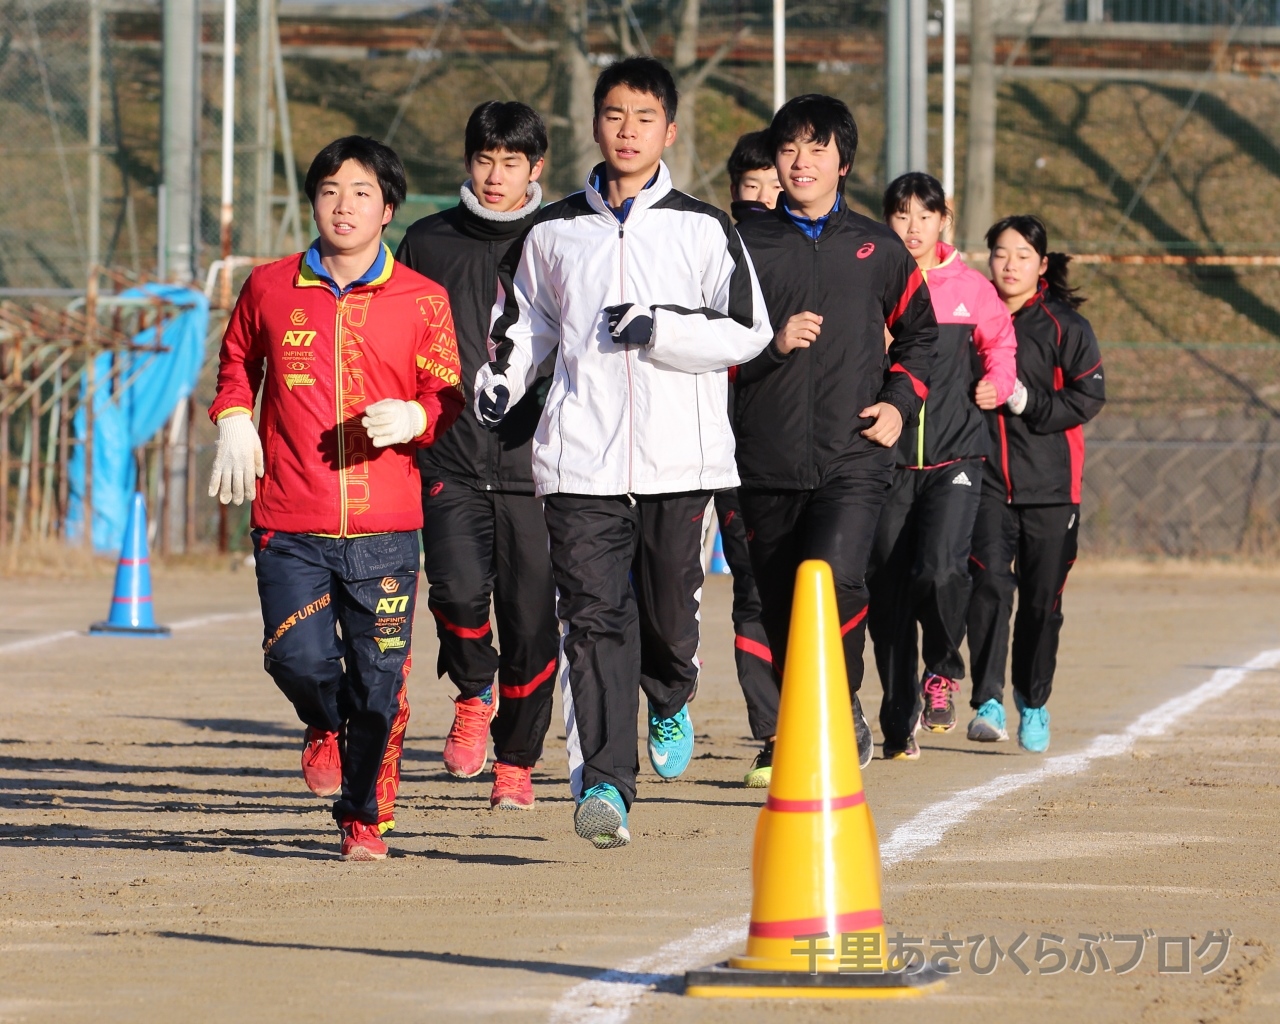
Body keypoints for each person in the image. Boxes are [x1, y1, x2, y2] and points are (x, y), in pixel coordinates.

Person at [474, 56, 773, 848]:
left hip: (682, 460)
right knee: (595, 619)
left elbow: (750, 329)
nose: (628, 130)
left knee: (669, 622)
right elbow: (525, 322)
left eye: (644, 117)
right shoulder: (553, 229)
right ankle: (605, 782)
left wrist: (661, 327)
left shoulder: (705, 226)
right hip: (581, 459)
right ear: (596, 125)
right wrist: (502, 380)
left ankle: (671, 696)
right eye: (614, 115)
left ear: (668, 130)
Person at [207, 136, 464, 860]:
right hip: (291, 517)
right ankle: (322, 722)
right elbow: (235, 367)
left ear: (389, 208)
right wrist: (231, 419)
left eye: (359, 192)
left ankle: (363, 818)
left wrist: (418, 417)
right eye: (328, 190)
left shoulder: (423, 299)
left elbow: (444, 393)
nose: (342, 205)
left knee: (380, 679)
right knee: (300, 663)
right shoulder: (266, 286)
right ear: (312, 202)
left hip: (385, 526)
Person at [733, 95, 938, 771]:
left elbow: (921, 336)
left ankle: (840, 704)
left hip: (855, 455)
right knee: (781, 601)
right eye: (789, 148)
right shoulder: (743, 245)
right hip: (763, 459)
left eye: (817, 149)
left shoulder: (877, 248)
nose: (801, 162)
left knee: (836, 577)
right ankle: (810, 712)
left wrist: (899, 404)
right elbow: (708, 343)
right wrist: (771, 346)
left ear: (843, 163)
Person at [395, 102, 557, 811]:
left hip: (540, 464)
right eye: (485, 160)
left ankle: (517, 760)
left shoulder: (564, 236)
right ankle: (471, 692)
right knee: (456, 595)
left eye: (511, 163)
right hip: (450, 458)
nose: (496, 176)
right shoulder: (428, 241)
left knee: (530, 622)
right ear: (468, 163)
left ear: (536, 168)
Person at [867, 172, 1017, 760]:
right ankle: (896, 715)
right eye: (901, 216)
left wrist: (998, 382)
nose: (912, 227)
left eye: (923, 216)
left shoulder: (970, 288)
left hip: (956, 455)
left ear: (943, 221)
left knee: (940, 570)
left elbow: (1000, 343)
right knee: (887, 592)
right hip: (886, 459)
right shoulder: (873, 281)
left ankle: (943, 672)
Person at [966, 214, 1105, 752]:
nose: (1010, 265)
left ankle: (1035, 699)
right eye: (1001, 253)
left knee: (1042, 602)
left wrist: (1027, 401)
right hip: (984, 481)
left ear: (1042, 265)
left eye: (1023, 255)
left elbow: (1088, 397)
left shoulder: (1065, 325)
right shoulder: (970, 317)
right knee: (990, 587)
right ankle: (988, 699)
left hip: (1051, 486)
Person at [719, 129, 784, 787]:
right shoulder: (715, 251)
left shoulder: (813, 251)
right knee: (752, 587)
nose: (764, 196)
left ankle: (830, 714)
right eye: (752, 186)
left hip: (808, 450)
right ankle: (771, 734)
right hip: (731, 450)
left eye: (775, 182)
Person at [726, 130, 782, 224]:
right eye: (752, 186)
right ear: (735, 192)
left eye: (777, 186)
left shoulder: (806, 237)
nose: (763, 198)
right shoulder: (726, 238)